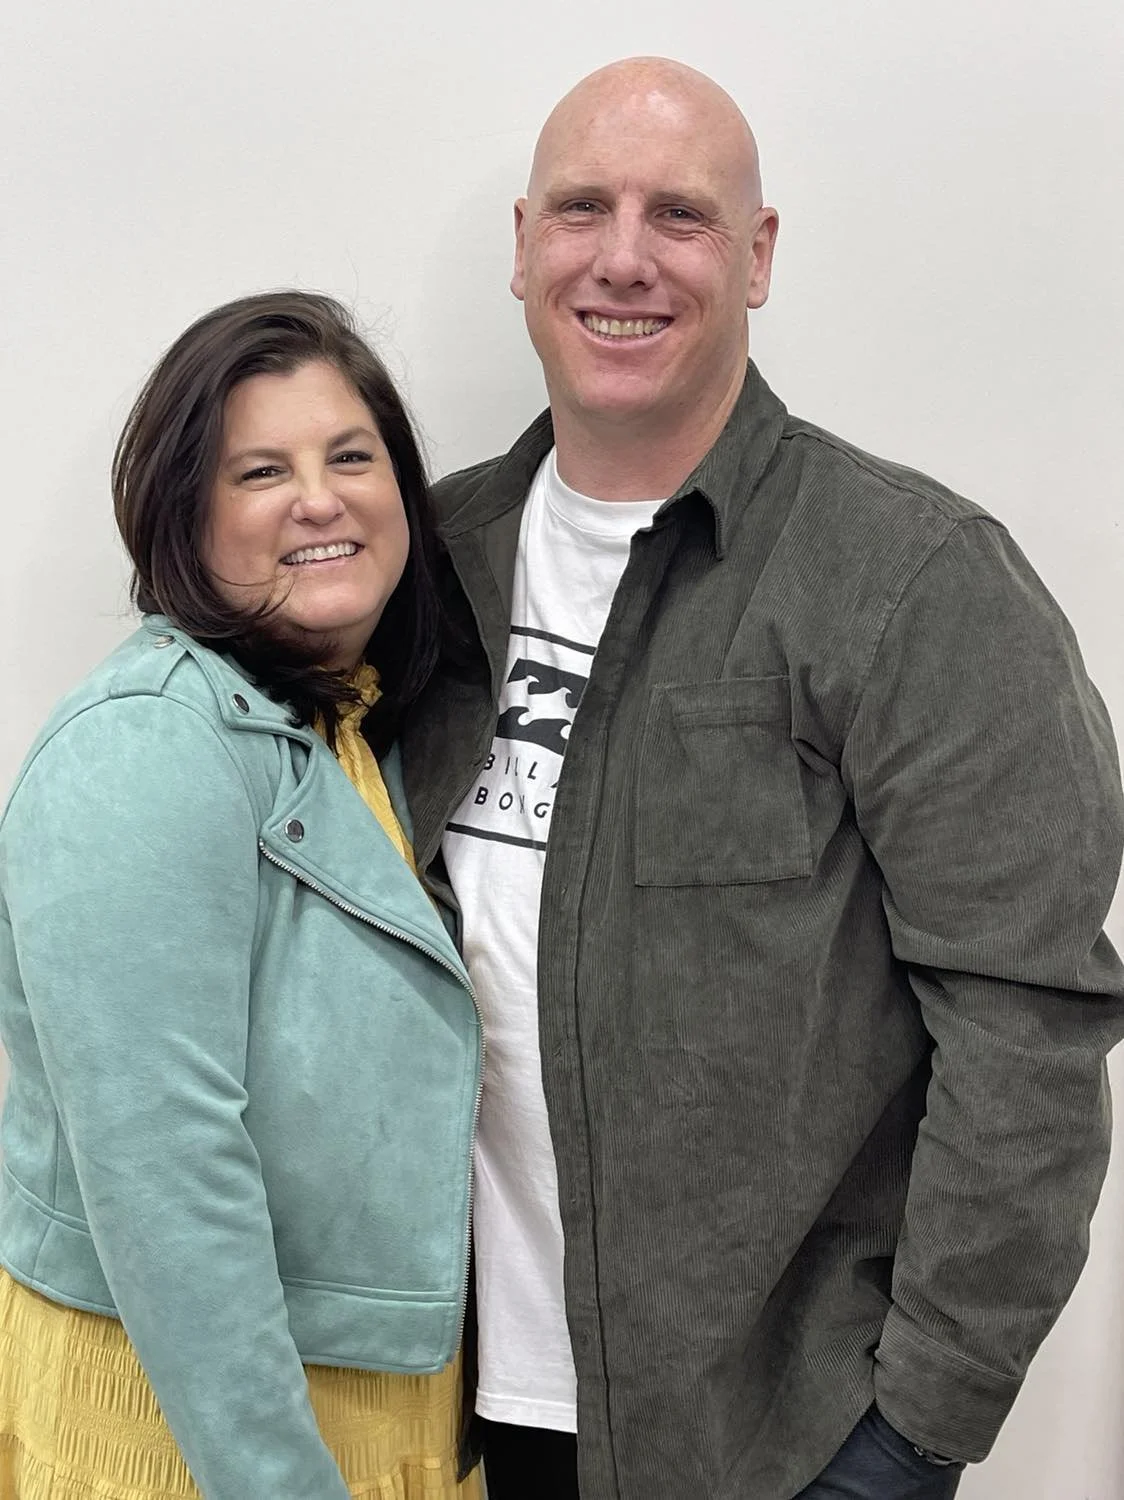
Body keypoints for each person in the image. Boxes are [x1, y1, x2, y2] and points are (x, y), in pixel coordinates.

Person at [399, 56, 1124, 1500]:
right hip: (462, 1414)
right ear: (524, 247)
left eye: (679, 215)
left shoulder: (911, 582)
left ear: (757, 256)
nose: (622, 258)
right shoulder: (420, 572)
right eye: (581, 209)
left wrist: (912, 1430)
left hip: (782, 1443)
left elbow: (1027, 1027)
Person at [0, 291, 484, 1500]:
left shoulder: (343, 727)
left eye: (351, 457)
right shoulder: (145, 747)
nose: (319, 500)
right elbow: (166, 1186)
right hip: (189, 1428)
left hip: (363, 1399)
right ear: (185, 515)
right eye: (261, 471)